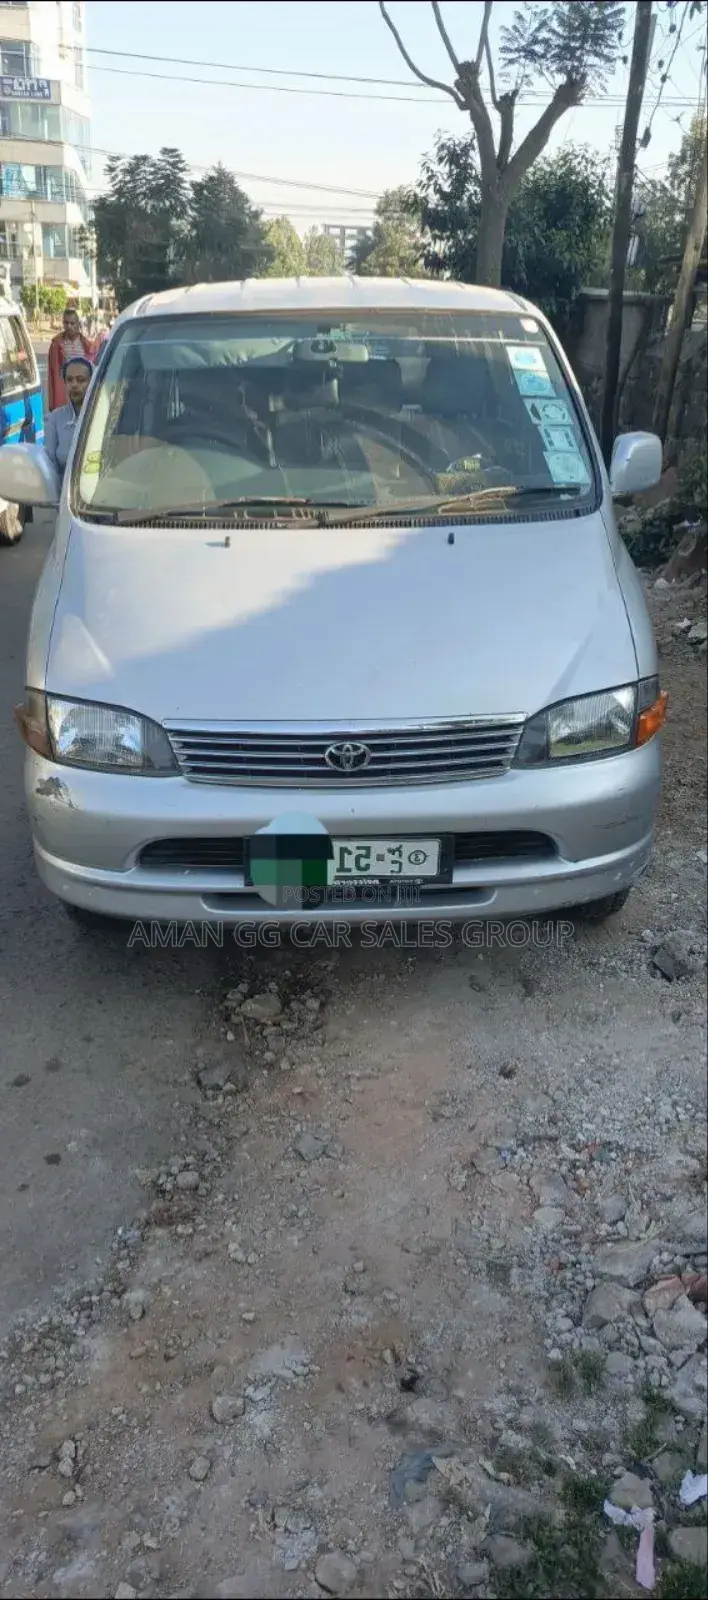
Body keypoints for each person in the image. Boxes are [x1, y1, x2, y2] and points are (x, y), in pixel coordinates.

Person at [43, 356, 93, 478]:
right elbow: (49, 466)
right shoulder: (54, 419)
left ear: (93, 382)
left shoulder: (104, 416)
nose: (74, 385)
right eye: (69, 380)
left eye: (81, 380)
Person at [47, 305, 96, 411]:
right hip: (64, 396)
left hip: (83, 394)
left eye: (72, 323)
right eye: (66, 323)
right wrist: (52, 404)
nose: (69, 326)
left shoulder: (87, 345)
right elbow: (52, 376)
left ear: (78, 324)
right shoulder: (56, 345)